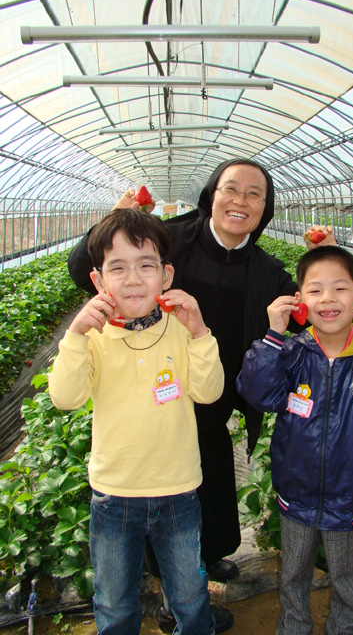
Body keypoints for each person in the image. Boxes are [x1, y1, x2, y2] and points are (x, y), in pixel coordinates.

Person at [67, 159, 335, 631]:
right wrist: (109, 220)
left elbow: (309, 311)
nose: (241, 201)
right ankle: (176, 597)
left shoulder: (267, 269)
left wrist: (327, 260)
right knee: (162, 493)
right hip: (156, 398)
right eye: (231, 189)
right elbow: (87, 265)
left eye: (255, 194)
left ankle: (203, 560)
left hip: (215, 397)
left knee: (205, 487)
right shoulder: (170, 239)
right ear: (211, 195)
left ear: (265, 209)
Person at [236, 246, 353, 635]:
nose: (327, 299)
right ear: (299, 301)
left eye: (340, 289)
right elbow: (260, 395)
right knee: (292, 572)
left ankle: (348, 626)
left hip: (352, 492)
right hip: (297, 489)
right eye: (315, 290)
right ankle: (293, 624)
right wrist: (273, 335)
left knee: (349, 573)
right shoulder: (292, 352)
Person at [49, 208, 224, 635]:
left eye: (145, 266)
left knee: (188, 594)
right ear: (98, 281)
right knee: (114, 601)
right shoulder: (92, 337)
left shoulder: (182, 328)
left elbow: (209, 391)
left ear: (166, 275)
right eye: (118, 268)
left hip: (178, 490)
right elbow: (65, 398)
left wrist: (201, 334)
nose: (132, 278)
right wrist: (73, 337)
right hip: (114, 494)